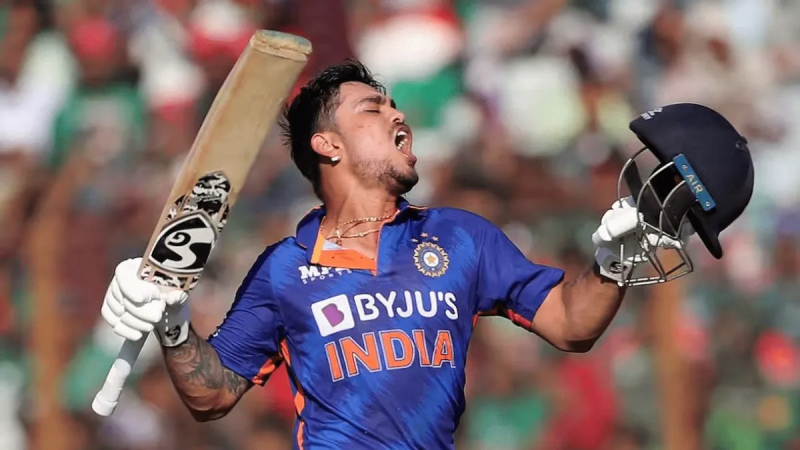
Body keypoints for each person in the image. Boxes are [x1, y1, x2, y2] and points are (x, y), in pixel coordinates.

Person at [100, 61, 753, 449]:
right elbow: (212, 395)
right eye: (373, 109)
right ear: (328, 145)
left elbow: (571, 324)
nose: (398, 116)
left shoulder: (461, 238)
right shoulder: (283, 270)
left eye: (394, 105)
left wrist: (612, 266)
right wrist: (173, 324)